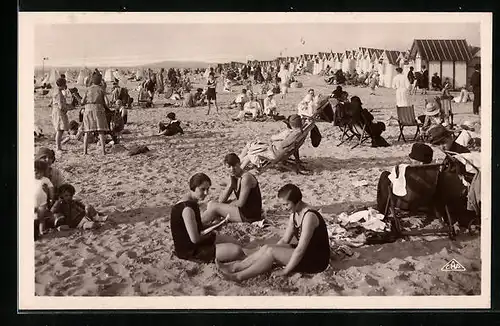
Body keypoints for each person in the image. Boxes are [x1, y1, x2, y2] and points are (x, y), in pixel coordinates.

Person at [216, 184, 330, 282]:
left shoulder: (309, 216)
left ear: (298, 201)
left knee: (271, 252)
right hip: (306, 251)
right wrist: (268, 252)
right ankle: (237, 267)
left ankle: (238, 276)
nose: (284, 208)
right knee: (267, 248)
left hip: (316, 260)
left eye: (286, 204)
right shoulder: (294, 214)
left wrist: (285, 270)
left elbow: (300, 250)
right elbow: (285, 240)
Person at [170, 173, 246, 263]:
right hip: (190, 251)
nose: (206, 193)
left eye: (207, 189)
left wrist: (214, 225)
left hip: (195, 242)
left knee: (232, 240)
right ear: (193, 187)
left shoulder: (190, 202)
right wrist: (210, 232)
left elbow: (196, 227)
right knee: (236, 251)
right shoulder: (187, 209)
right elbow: (195, 239)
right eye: (202, 189)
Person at [201, 154, 263, 224]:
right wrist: (230, 185)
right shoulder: (234, 176)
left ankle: (198, 225)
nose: (232, 169)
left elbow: (240, 203)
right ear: (225, 167)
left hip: (250, 215)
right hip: (243, 211)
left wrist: (226, 205)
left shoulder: (246, 178)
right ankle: (207, 222)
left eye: (234, 166)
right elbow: (221, 200)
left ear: (239, 164)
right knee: (211, 203)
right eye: (229, 167)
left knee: (214, 207)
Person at [376, 143, 434, 213]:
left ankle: (382, 208)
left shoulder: (407, 170)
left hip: (406, 203)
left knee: (385, 175)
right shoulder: (434, 171)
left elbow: (396, 185)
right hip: (426, 201)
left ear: (414, 159)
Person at [238, 114, 305, 169]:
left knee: (251, 152)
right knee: (253, 149)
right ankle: (239, 163)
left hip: (274, 153)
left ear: (291, 124)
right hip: (276, 151)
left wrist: (272, 143)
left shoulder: (294, 134)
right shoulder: (298, 132)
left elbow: (283, 145)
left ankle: (240, 167)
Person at [81, 73, 110, 155]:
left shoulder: (88, 89)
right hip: (98, 109)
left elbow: (82, 101)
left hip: (88, 109)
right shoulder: (101, 89)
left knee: (87, 131)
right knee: (101, 131)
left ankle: (85, 152)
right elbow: (107, 102)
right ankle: (103, 151)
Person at [34, 160, 54, 238]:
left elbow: (51, 188)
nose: (38, 175)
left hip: (42, 203)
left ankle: (42, 231)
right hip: (31, 202)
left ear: (43, 172)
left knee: (41, 218)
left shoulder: (45, 180)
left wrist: (51, 199)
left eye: (40, 172)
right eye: (35, 172)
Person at [51, 78, 70, 152]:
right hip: (59, 112)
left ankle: (59, 146)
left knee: (60, 129)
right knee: (60, 130)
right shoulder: (59, 94)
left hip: (57, 111)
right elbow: (61, 106)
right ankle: (58, 147)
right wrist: (67, 108)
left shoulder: (56, 91)